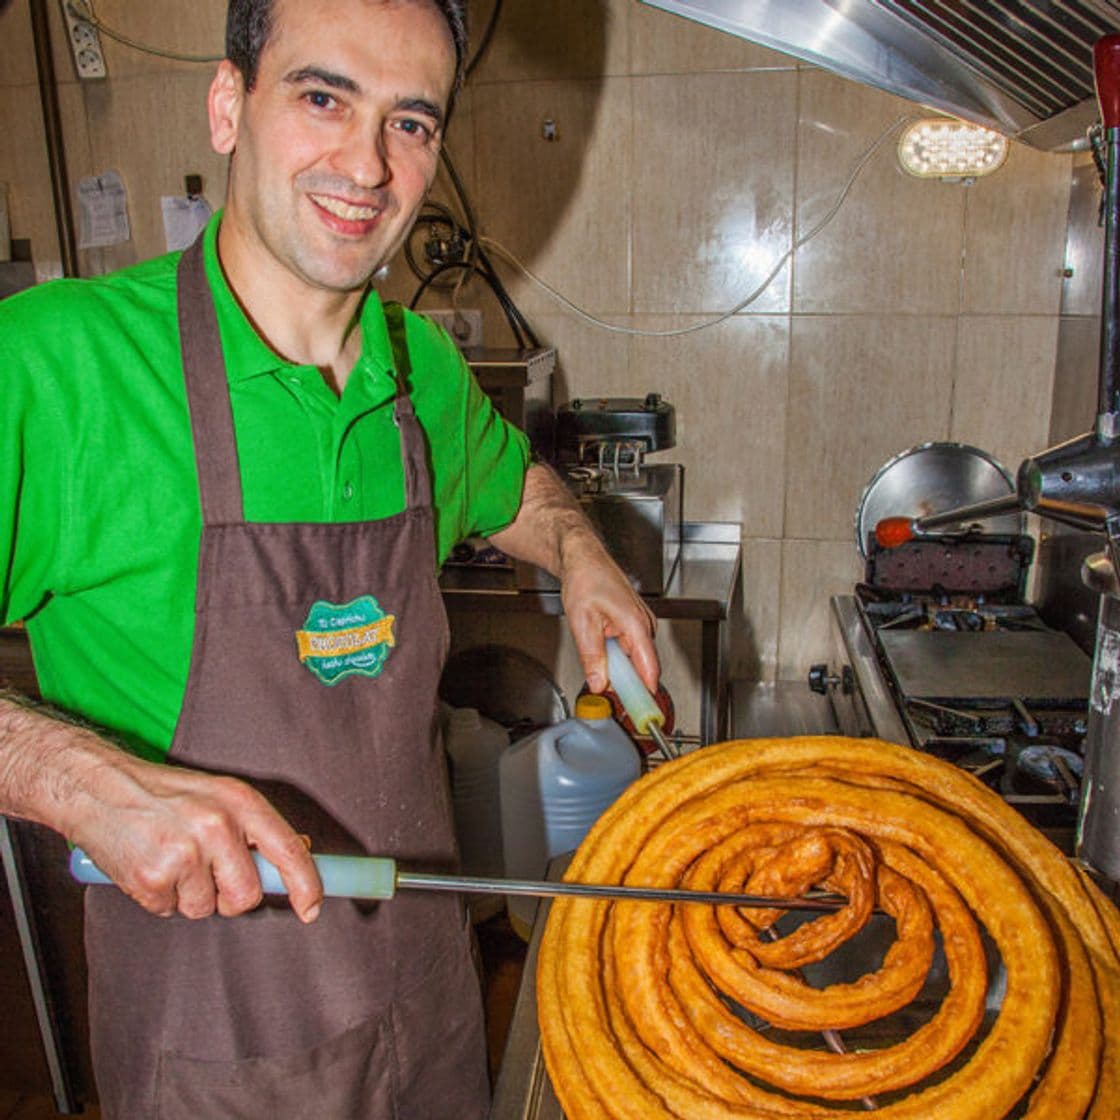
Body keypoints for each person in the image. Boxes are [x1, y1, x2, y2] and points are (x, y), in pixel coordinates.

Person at [0, 0, 658, 1115]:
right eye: (322, 97)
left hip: (426, 1004)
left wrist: (583, 555)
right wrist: (82, 784)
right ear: (227, 105)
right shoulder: (57, 367)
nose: (365, 163)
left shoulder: (420, 369)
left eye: (410, 122)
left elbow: (516, 490)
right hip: (214, 1048)